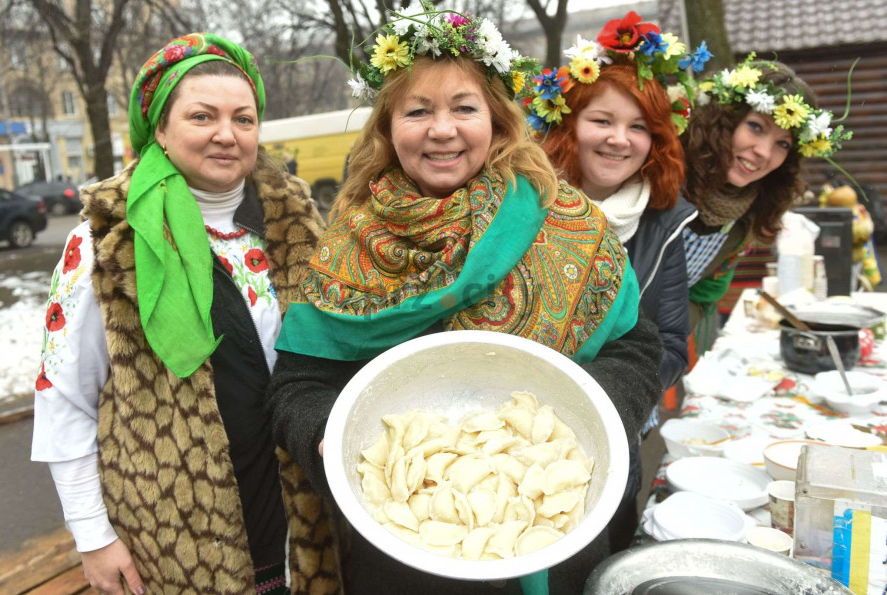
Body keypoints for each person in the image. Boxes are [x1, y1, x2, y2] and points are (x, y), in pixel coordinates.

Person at [268, 6, 663, 594]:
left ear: (498, 123)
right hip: (407, 542)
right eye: (418, 110)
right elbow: (297, 384)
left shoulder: (570, 223)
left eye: (464, 107)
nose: (442, 129)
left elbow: (637, 346)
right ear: (387, 127)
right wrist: (329, 432)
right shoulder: (350, 243)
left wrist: (582, 416)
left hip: (554, 528)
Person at [31, 33, 333, 594]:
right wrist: (93, 538)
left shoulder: (301, 231)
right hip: (175, 540)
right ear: (161, 132)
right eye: (202, 116)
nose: (226, 134)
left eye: (243, 118)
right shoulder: (103, 245)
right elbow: (63, 399)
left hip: (302, 523)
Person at [528, 15, 706, 552]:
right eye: (601, 120)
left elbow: (673, 343)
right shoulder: (523, 206)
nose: (618, 140)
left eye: (638, 127)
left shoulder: (663, 220)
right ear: (568, 125)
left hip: (608, 430)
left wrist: (607, 399)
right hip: (513, 422)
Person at [682, 56, 852, 346]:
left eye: (782, 144)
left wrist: (661, 348)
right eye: (756, 127)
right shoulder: (664, 175)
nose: (762, 151)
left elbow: (703, 294)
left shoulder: (747, 212)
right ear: (725, 119)